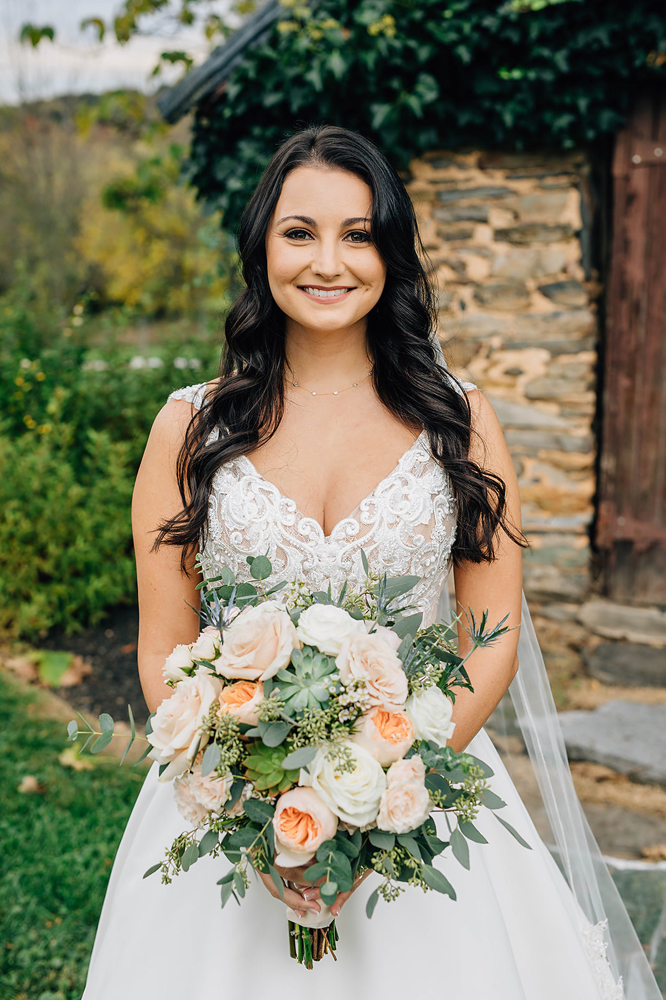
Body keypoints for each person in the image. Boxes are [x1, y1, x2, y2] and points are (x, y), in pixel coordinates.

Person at [81, 125, 659, 999]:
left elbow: (489, 638)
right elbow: (167, 653)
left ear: (390, 252)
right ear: (261, 247)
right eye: (299, 232)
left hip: (423, 793)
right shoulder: (190, 429)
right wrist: (257, 814)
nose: (329, 262)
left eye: (358, 234)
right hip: (232, 814)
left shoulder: (460, 422)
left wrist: (389, 799)